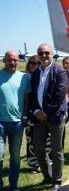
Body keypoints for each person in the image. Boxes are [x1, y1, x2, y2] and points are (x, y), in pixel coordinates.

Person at [30, 44, 68, 191]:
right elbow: (32, 94)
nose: (44, 55)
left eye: (47, 52)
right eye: (41, 53)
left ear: (52, 54)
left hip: (55, 116)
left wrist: (45, 112)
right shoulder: (34, 73)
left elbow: (59, 95)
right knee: (38, 148)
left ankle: (57, 180)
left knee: (56, 149)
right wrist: (36, 111)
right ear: (38, 55)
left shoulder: (60, 71)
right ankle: (47, 175)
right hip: (38, 117)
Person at [0, 51, 31, 191]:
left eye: (14, 60)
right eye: (9, 60)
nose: (12, 62)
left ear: (18, 61)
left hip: (18, 123)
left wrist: (25, 116)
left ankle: (14, 185)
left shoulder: (24, 77)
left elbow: (26, 99)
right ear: (4, 60)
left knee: (15, 156)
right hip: (0, 122)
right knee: (0, 156)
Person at [24, 55, 52, 174]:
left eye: (35, 63)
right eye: (30, 62)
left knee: (47, 140)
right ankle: (33, 164)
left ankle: (47, 163)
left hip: (44, 113)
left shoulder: (42, 76)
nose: (32, 65)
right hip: (30, 113)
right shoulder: (25, 78)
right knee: (31, 140)